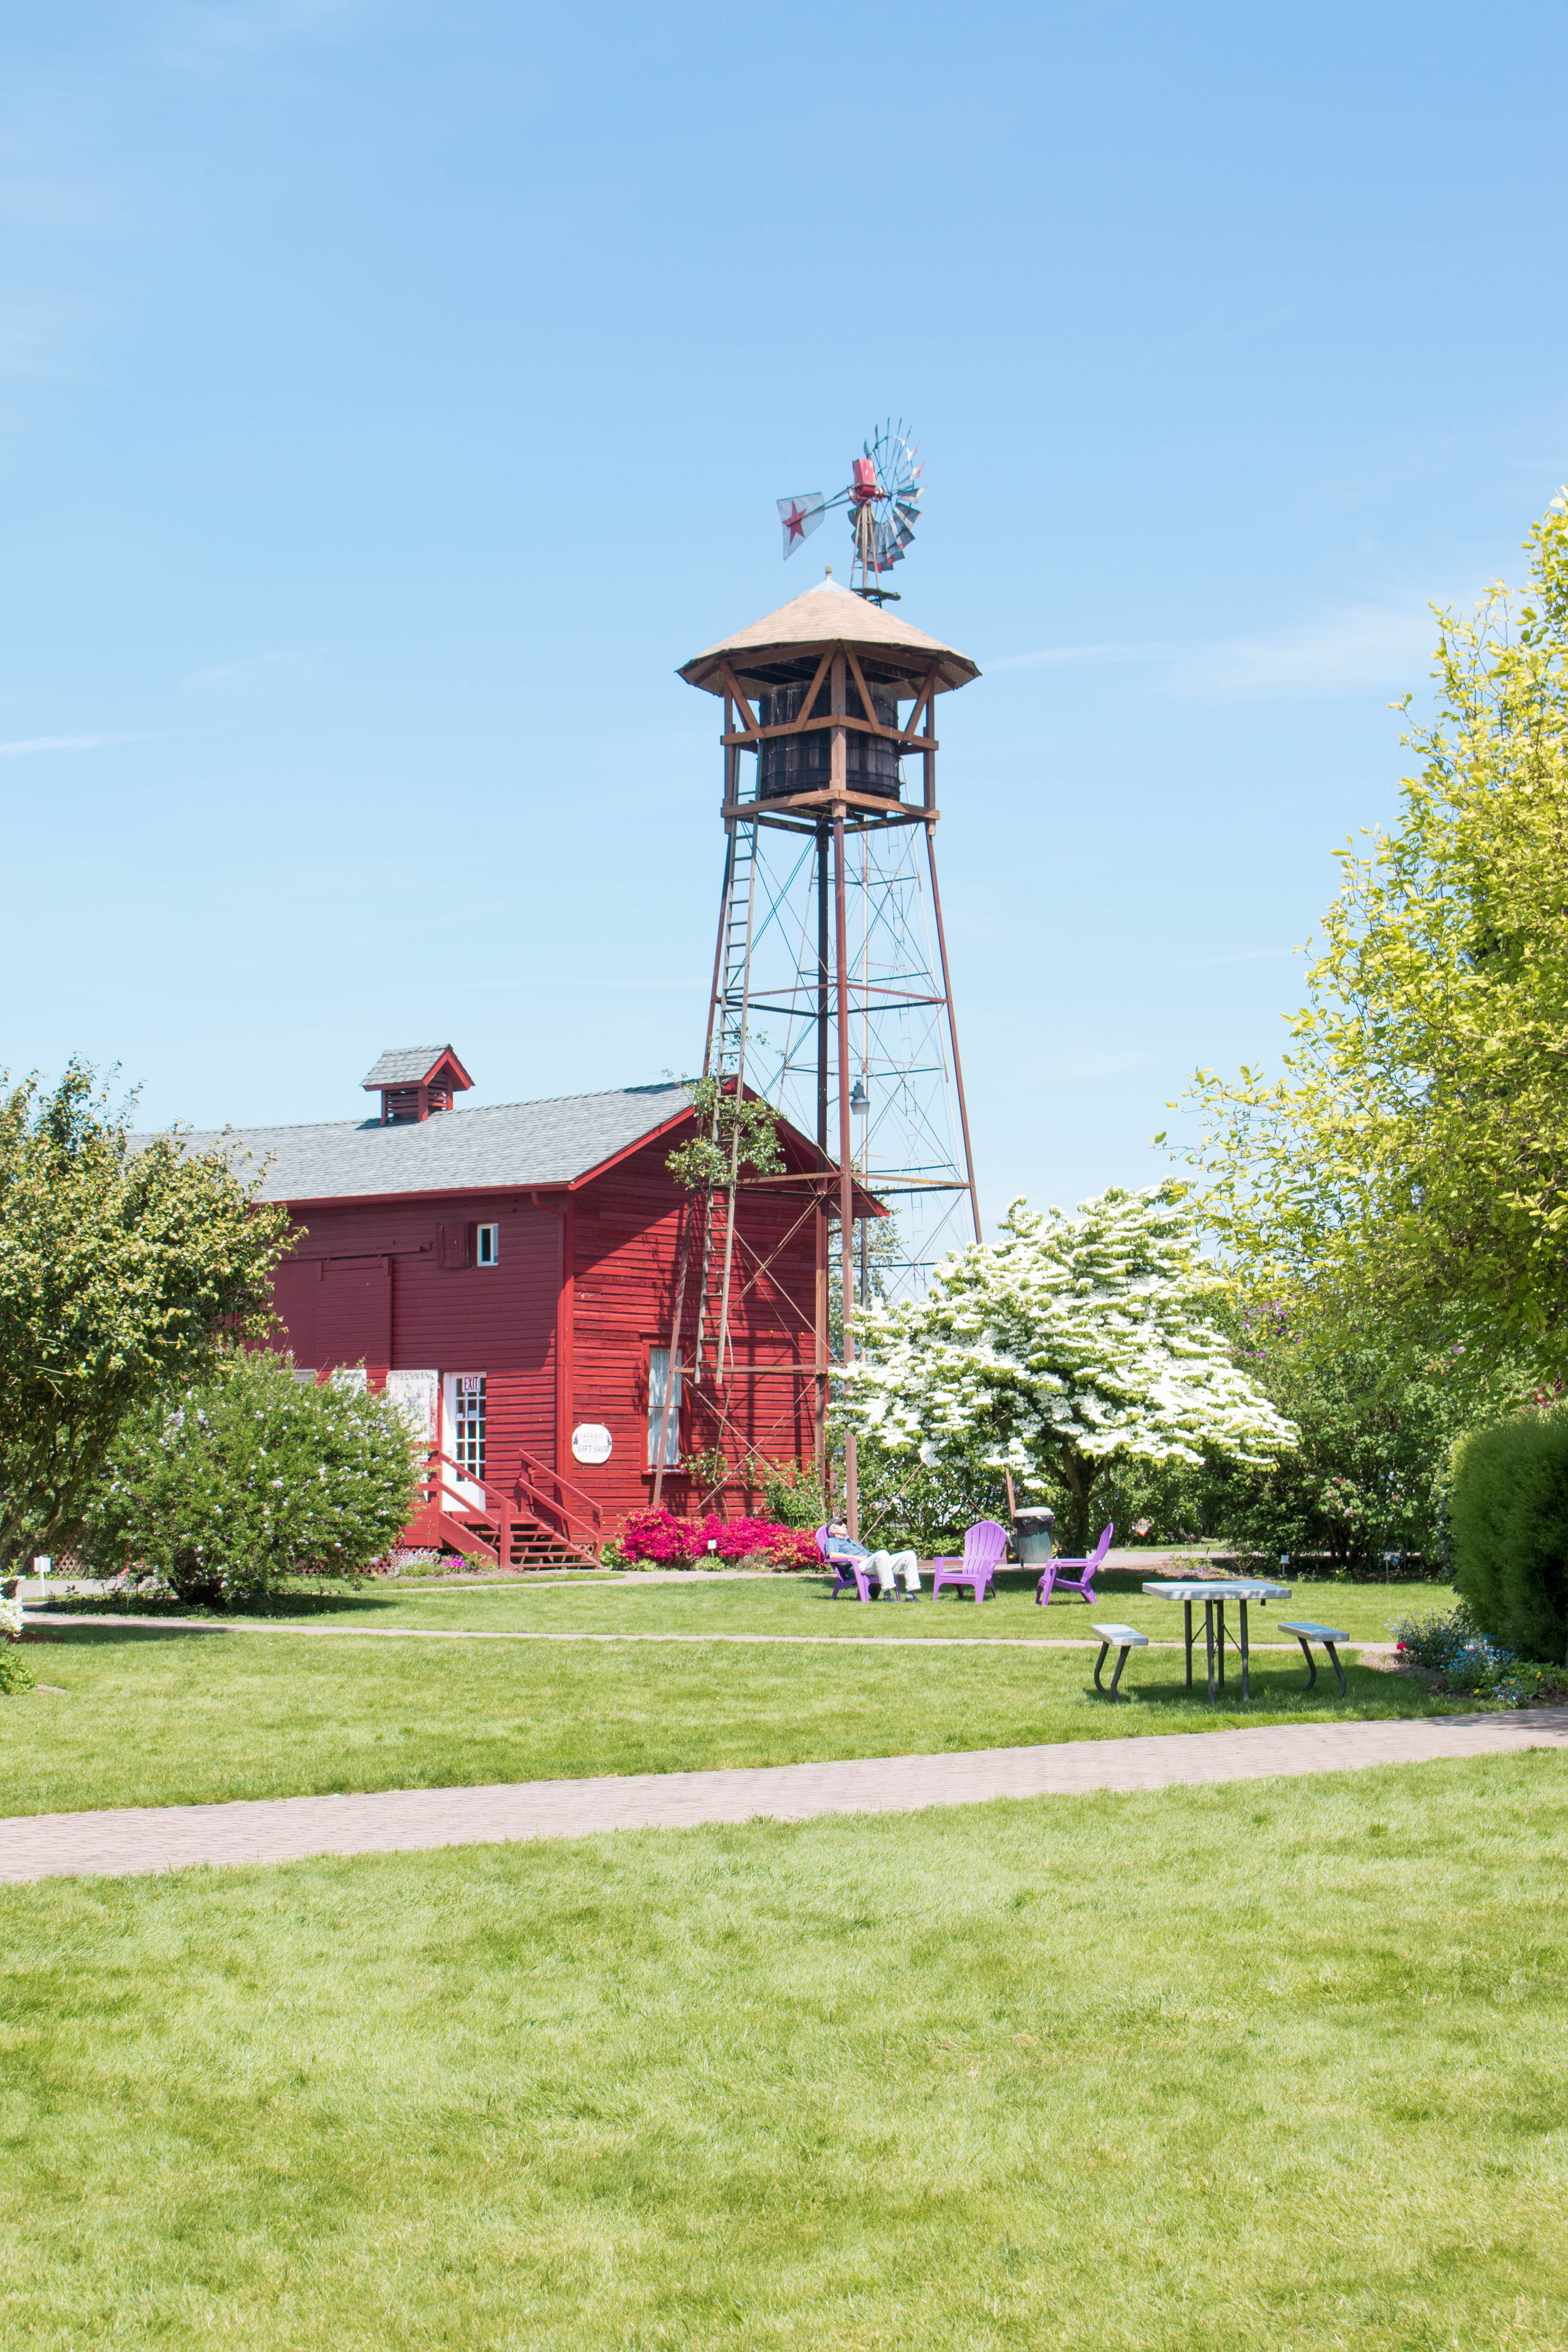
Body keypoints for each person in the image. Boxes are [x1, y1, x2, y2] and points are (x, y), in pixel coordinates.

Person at [823, 1519, 922, 1599]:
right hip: (857, 1567)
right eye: (841, 1524)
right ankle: (887, 1595)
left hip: (870, 1564)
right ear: (833, 1531)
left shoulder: (852, 1542)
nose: (845, 1526)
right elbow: (832, 1555)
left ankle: (911, 1595)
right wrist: (857, 1558)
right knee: (882, 1554)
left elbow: (869, 1554)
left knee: (909, 1555)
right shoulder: (832, 1541)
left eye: (845, 1524)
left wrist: (873, 1557)